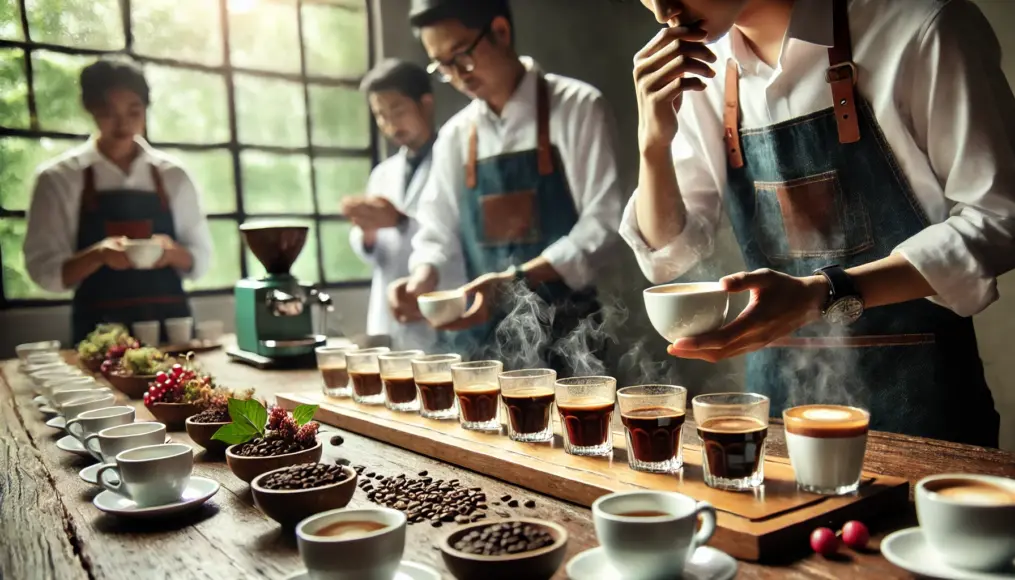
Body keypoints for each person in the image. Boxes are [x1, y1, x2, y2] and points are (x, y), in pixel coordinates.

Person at [621, 0, 1015, 447]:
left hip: (923, 414)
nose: (662, 9)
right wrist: (652, 141)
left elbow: (1000, 216)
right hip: (773, 419)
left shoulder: (920, 26)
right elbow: (667, 255)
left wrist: (821, 294)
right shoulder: (701, 75)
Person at [390, 0, 624, 372]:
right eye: (443, 66)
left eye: (461, 56)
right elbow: (436, 232)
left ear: (500, 31)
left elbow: (604, 227)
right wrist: (422, 277)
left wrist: (515, 280)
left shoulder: (578, 107)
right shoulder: (454, 136)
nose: (457, 75)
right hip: (482, 346)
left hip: (570, 341)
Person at [23, 58, 212, 343]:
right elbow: (45, 270)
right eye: (109, 112)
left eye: (134, 111)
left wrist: (170, 252)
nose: (123, 122)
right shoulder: (59, 178)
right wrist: (99, 255)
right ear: (90, 109)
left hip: (171, 331)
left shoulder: (174, 176)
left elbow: (201, 259)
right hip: (99, 334)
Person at [343, 59, 441, 350]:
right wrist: (367, 233)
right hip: (387, 313)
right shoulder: (383, 174)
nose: (390, 124)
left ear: (425, 104)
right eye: (380, 115)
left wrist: (400, 221)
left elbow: (450, 236)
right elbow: (378, 253)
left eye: (397, 111)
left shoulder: (453, 162)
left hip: (433, 307)